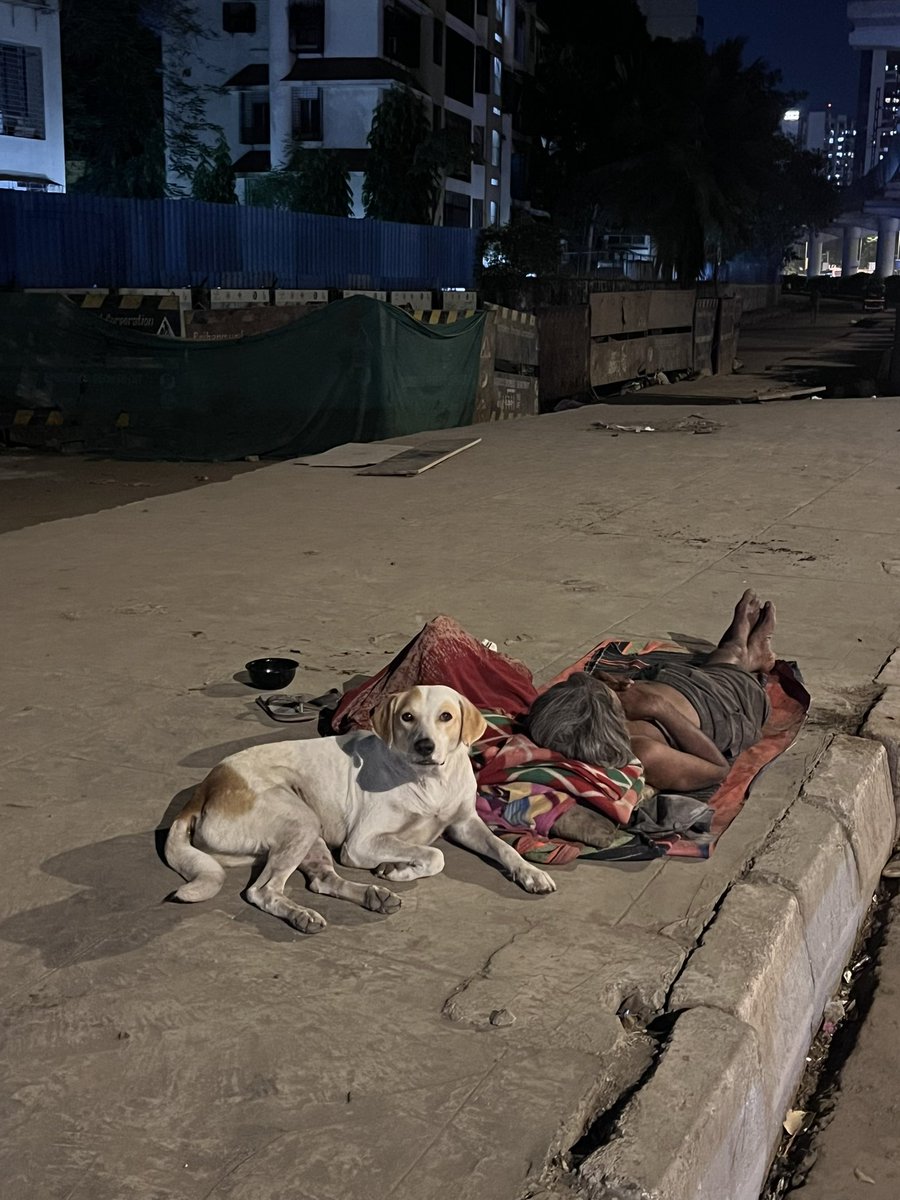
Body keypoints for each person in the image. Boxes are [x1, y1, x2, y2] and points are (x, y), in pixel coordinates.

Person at [530, 590, 774, 847]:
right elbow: (718, 770)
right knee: (728, 669)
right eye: (611, 696)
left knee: (711, 668)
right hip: (731, 706)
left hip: (678, 680)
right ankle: (745, 653)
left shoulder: (585, 721)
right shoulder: (643, 749)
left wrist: (608, 682)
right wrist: (659, 707)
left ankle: (740, 651)